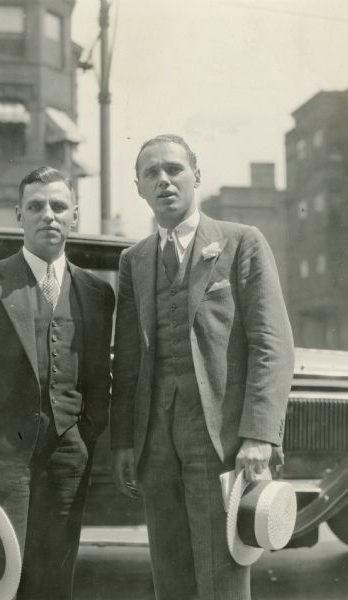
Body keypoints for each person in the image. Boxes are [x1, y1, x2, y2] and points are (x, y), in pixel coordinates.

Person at [110, 134, 294, 600]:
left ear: (196, 175)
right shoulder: (134, 260)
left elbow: (273, 344)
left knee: (223, 579)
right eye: (151, 173)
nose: (164, 181)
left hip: (222, 441)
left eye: (173, 169)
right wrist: (125, 442)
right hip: (155, 444)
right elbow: (129, 360)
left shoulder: (241, 242)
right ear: (138, 187)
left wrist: (259, 434)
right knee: (170, 578)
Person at [0, 166, 115, 600]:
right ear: (18, 215)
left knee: (55, 582)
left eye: (59, 206)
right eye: (35, 206)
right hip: (1, 459)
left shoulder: (97, 293)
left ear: (75, 215)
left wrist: (83, 436)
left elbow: (98, 379)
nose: (48, 215)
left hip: (68, 460)